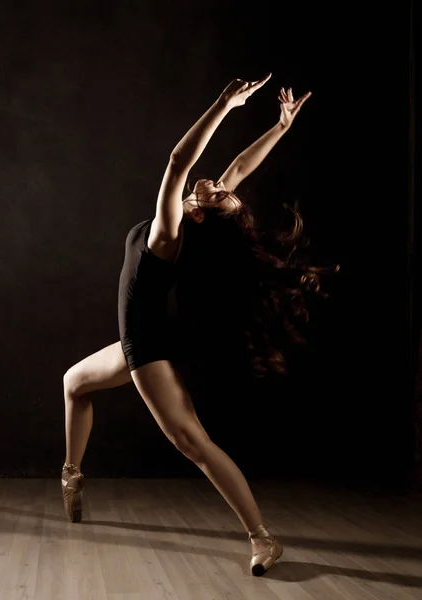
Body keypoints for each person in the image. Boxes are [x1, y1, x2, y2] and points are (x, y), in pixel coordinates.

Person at [62, 73, 325, 577]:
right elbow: (241, 166)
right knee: (74, 382)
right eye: (219, 189)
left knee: (193, 444)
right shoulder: (197, 216)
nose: (216, 184)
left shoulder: (169, 232)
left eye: (216, 195)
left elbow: (178, 162)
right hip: (137, 339)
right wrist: (281, 126)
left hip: (147, 350)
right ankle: (72, 475)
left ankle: (262, 538)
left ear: (202, 217)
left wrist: (224, 104)